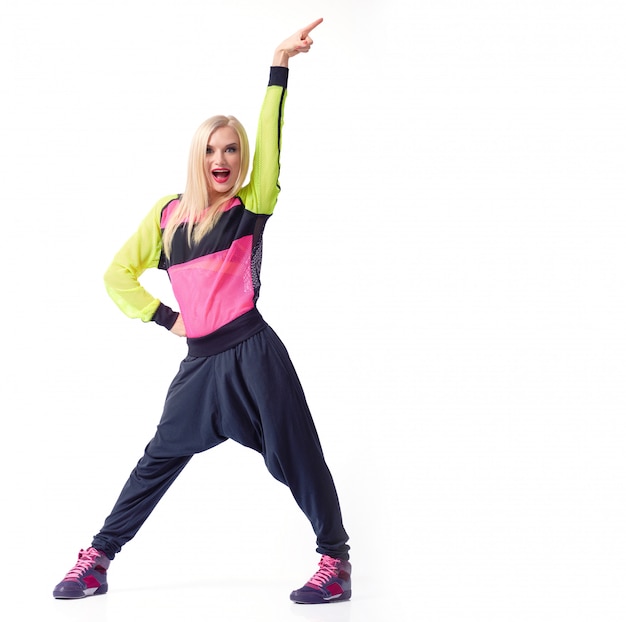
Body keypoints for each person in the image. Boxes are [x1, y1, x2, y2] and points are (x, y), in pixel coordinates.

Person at [52, 18, 351, 605]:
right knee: (158, 458)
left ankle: (334, 562)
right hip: (200, 366)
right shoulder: (167, 216)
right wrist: (167, 319)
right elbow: (117, 274)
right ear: (198, 156)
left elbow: (272, 137)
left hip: (255, 355)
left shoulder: (252, 204)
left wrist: (279, 66)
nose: (223, 157)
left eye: (232, 149)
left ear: (241, 161)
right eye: (212, 148)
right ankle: (98, 559)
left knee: (296, 451)